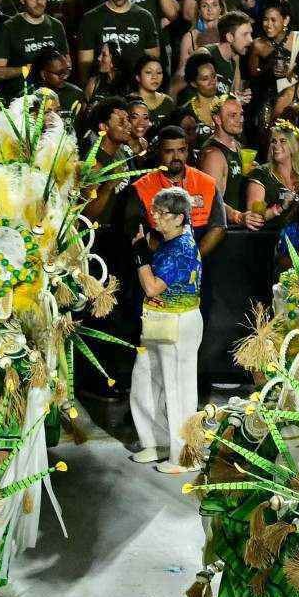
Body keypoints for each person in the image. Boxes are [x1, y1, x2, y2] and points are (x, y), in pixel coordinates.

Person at [130, 184, 201, 466]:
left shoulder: (181, 248)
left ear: (179, 218)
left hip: (179, 325)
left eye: (161, 213)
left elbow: (152, 287)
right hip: (158, 323)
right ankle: (155, 441)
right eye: (154, 211)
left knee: (177, 388)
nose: (154, 217)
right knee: (145, 380)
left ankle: (184, 455)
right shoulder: (170, 240)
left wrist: (140, 255)